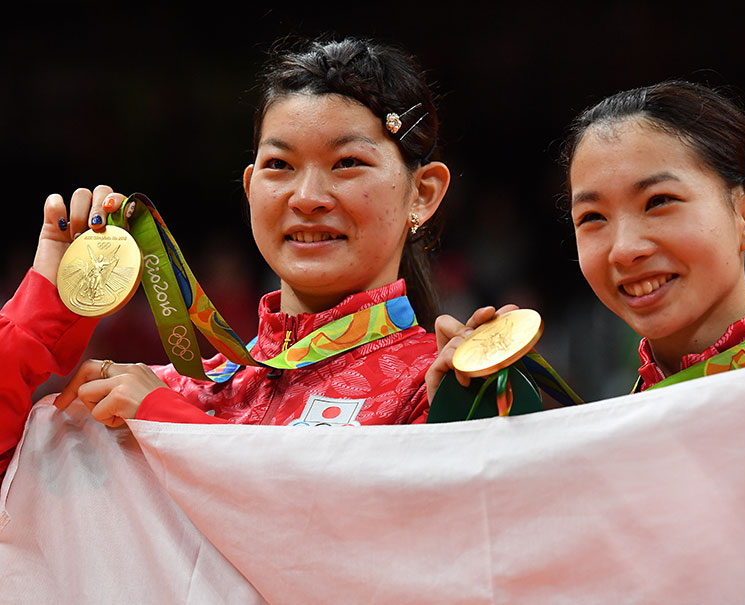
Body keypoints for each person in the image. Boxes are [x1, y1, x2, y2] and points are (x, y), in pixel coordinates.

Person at [0, 36, 451, 475]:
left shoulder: (434, 386)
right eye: (280, 166)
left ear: (423, 193)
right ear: (251, 187)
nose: (308, 197)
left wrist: (174, 427)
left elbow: (352, 539)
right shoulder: (166, 393)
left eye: (347, 162)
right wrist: (44, 312)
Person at [426, 80, 745, 400]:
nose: (624, 249)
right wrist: (469, 426)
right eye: (593, 218)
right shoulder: (615, 430)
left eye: (659, 202)